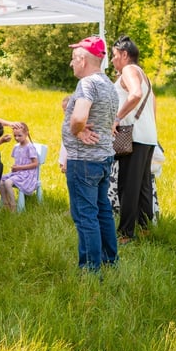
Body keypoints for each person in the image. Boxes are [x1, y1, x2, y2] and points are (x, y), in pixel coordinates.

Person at [63, 36, 119, 272]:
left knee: (85, 215)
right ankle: (109, 259)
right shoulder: (108, 83)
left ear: (83, 59)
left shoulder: (87, 84)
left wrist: (77, 131)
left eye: (74, 59)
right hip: (103, 157)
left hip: (84, 160)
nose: (71, 64)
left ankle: (90, 269)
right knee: (102, 210)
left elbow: (78, 116)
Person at [111, 35, 158, 244]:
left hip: (133, 135)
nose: (112, 61)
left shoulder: (129, 70)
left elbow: (136, 94)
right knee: (143, 185)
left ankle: (126, 234)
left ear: (124, 54)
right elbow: (153, 102)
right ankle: (145, 229)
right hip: (147, 135)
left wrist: (117, 118)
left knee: (127, 186)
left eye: (114, 56)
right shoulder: (143, 74)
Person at [0, 122, 40, 211]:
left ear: (26, 133)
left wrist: (19, 168)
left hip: (27, 174)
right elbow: (19, 161)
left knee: (8, 182)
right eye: (15, 136)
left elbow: (35, 164)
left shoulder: (29, 147)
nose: (17, 138)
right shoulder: (16, 147)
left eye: (19, 135)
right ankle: (6, 203)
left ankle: (13, 206)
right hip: (18, 173)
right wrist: (15, 167)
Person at [58, 96, 70, 174]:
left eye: (66, 110)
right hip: (66, 159)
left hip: (69, 160)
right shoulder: (67, 122)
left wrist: (65, 162)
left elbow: (72, 145)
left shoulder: (73, 124)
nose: (64, 113)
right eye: (63, 110)